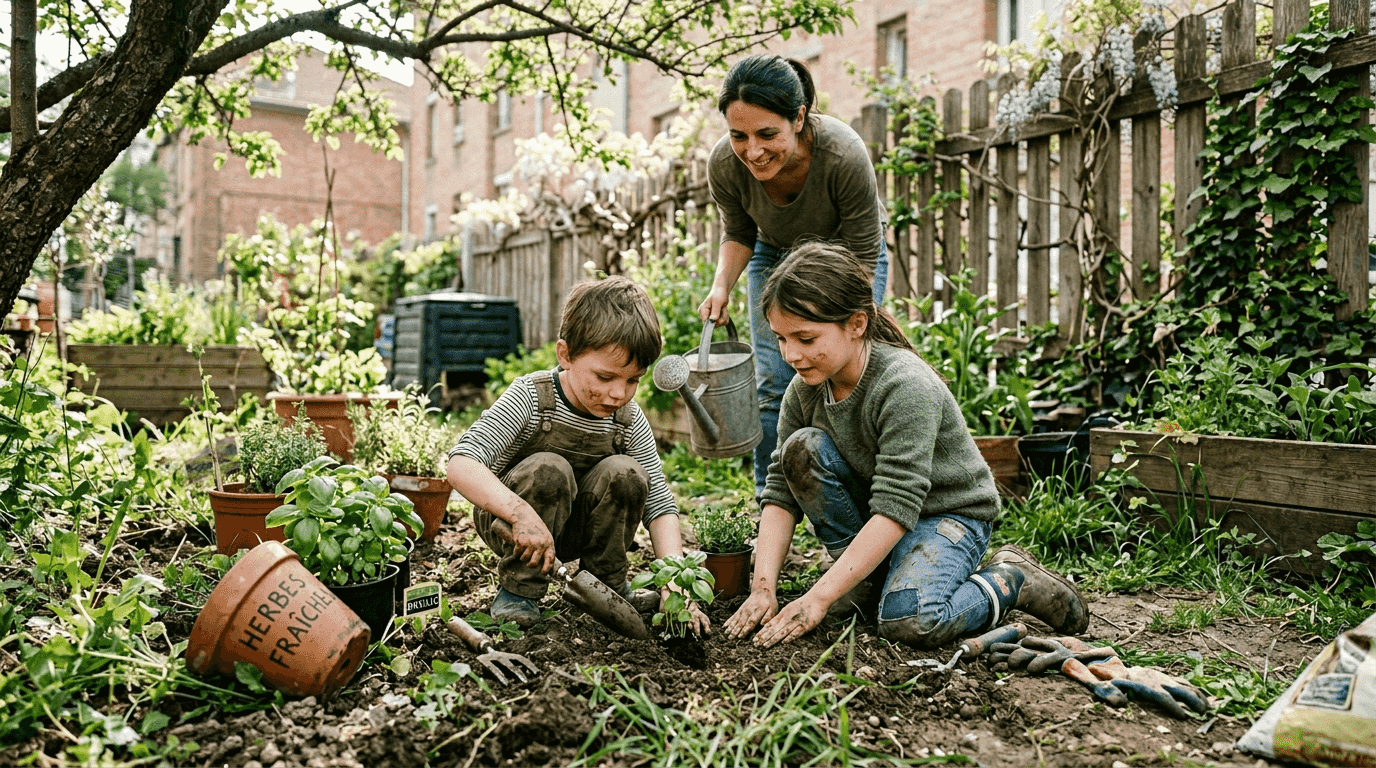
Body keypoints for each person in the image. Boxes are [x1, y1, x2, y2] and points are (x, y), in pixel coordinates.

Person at [722, 243, 1089, 649]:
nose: (791, 354)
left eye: (806, 338)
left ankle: (1010, 579)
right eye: (781, 338)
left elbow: (896, 505)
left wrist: (818, 598)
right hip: (881, 516)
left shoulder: (904, 386)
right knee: (800, 450)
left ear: (857, 324)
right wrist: (763, 588)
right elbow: (780, 493)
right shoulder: (804, 390)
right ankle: (871, 583)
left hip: (948, 516)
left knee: (909, 621)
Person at [446, 276, 709, 633]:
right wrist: (520, 513)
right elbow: (461, 464)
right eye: (604, 377)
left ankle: (606, 587)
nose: (619, 393)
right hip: (513, 524)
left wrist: (676, 586)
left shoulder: (628, 420)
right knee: (549, 469)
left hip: (577, 525)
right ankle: (520, 590)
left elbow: (660, 506)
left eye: (633, 380)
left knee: (627, 473)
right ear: (565, 355)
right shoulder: (531, 397)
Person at [698, 53, 890, 499]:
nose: (753, 151)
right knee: (772, 377)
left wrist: (825, 316)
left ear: (799, 117)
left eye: (768, 134)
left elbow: (863, 250)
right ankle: (772, 499)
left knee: (852, 370)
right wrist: (720, 285)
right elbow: (740, 231)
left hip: (849, 250)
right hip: (772, 249)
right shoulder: (725, 165)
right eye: (738, 135)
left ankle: (861, 493)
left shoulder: (842, 153)